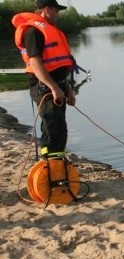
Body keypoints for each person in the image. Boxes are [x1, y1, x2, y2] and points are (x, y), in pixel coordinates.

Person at [12, 0, 76, 159]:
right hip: (44, 87)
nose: (58, 14)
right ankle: (51, 165)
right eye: (56, 10)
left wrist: (67, 89)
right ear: (47, 9)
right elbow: (35, 63)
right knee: (53, 127)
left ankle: (55, 163)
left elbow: (58, 66)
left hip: (57, 85)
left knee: (59, 127)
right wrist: (54, 88)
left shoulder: (50, 30)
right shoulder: (32, 32)